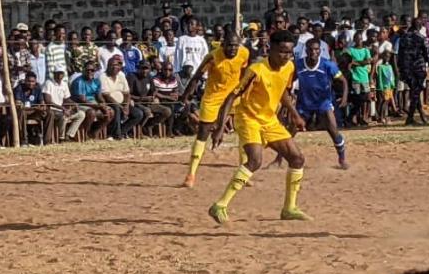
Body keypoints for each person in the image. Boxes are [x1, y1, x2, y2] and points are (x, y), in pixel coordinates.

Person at [208, 30, 309, 224]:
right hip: (248, 119)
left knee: (297, 159)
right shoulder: (256, 69)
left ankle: (289, 208)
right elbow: (232, 96)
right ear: (270, 49)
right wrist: (220, 127)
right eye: (282, 51)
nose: (286, 56)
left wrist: (295, 115)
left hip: (269, 120)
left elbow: (282, 92)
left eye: (289, 52)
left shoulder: (288, 67)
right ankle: (220, 205)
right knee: (255, 161)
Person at [180, 33, 250, 187]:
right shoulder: (212, 57)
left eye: (235, 45)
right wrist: (185, 96)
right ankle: (191, 175)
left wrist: (242, 90)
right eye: (230, 45)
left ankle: (244, 170)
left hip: (233, 97)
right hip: (213, 98)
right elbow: (197, 77)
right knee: (203, 133)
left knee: (244, 130)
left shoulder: (244, 53)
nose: (233, 49)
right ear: (223, 45)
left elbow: (245, 71)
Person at [294, 37, 348, 168]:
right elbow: (289, 82)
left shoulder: (328, 65)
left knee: (333, 129)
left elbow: (343, 81)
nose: (313, 52)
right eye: (311, 49)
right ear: (306, 50)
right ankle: (279, 159)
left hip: (323, 102)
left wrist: (345, 98)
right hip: (304, 103)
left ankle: (342, 158)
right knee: (290, 131)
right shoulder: (298, 65)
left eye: (316, 49)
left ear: (320, 50)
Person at [397, 15, 429, 126]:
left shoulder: (403, 38)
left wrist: (400, 69)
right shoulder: (422, 38)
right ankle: (410, 117)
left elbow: (400, 54)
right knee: (416, 93)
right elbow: (428, 55)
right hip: (418, 69)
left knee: (414, 92)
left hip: (406, 69)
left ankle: (419, 115)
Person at [99, 58, 144, 139]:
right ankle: (117, 135)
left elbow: (126, 93)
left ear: (119, 67)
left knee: (138, 114)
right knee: (116, 109)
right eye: (112, 65)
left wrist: (126, 106)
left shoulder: (121, 75)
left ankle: (121, 132)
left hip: (122, 103)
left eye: (116, 65)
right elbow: (106, 95)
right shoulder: (103, 77)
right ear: (108, 66)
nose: (114, 67)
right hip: (109, 103)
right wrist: (121, 107)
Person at [128, 61, 172, 136]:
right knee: (147, 111)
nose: (145, 71)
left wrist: (153, 96)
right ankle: (140, 129)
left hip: (148, 102)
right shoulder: (132, 77)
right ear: (138, 69)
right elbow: (129, 95)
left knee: (167, 111)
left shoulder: (149, 77)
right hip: (137, 103)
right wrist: (142, 99)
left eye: (147, 69)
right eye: (143, 68)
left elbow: (153, 91)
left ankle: (149, 125)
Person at [43, 69, 85, 141]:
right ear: (54, 74)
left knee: (81, 114)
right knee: (64, 116)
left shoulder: (64, 84)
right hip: (52, 110)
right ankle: (61, 138)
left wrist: (74, 104)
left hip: (62, 110)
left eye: (61, 73)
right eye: (58, 73)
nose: (60, 75)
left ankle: (69, 135)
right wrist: (63, 108)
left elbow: (66, 99)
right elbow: (48, 101)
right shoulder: (48, 83)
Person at [346, 32, 372, 127]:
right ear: (354, 39)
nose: (359, 41)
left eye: (360, 39)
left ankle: (363, 117)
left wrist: (355, 63)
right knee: (356, 100)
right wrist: (362, 62)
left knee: (365, 99)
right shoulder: (351, 50)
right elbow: (348, 62)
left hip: (365, 78)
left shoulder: (366, 50)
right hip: (355, 78)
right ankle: (354, 118)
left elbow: (368, 61)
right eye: (357, 39)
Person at [375, 50, 396, 125]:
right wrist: (380, 88)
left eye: (388, 57)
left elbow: (392, 76)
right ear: (383, 57)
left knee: (386, 102)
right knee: (384, 101)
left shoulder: (390, 66)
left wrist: (393, 85)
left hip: (389, 87)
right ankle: (381, 117)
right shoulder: (381, 67)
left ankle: (383, 116)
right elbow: (380, 78)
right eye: (386, 56)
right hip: (384, 87)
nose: (387, 58)